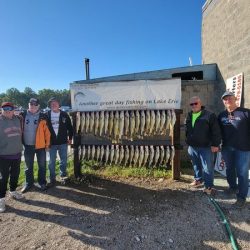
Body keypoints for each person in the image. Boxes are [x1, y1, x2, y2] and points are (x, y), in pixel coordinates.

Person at [218, 91, 250, 208]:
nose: (227, 101)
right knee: (230, 169)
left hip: (243, 148)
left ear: (235, 98)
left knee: (242, 173)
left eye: (230, 98)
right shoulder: (221, 115)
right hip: (227, 148)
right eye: (225, 99)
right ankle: (232, 188)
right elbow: (218, 132)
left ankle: (241, 198)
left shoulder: (245, 113)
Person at [185, 96, 221, 194]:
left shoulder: (209, 115)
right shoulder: (189, 115)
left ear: (200, 103)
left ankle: (209, 186)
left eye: (195, 103)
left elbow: (216, 131)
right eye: (191, 104)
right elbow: (188, 130)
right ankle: (198, 180)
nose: (194, 106)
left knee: (207, 168)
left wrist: (215, 144)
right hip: (192, 147)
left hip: (206, 147)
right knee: (196, 165)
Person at [20, 98, 51, 193]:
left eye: (35, 105)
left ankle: (42, 183)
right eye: (31, 104)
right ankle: (29, 183)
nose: (33, 106)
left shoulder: (43, 116)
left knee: (42, 166)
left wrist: (47, 145)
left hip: (40, 146)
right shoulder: (22, 115)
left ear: (38, 106)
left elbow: (47, 133)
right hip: (28, 146)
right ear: (28, 105)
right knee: (28, 167)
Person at [0, 102, 24, 213]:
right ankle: (1, 199)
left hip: (17, 153)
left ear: (13, 109)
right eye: (4, 108)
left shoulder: (18, 119)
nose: (7, 110)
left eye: (9, 108)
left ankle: (13, 191)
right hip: (3, 155)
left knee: (15, 174)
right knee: (2, 178)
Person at [46, 97, 73, 185]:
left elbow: (70, 128)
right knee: (51, 162)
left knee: (63, 160)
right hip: (51, 143)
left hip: (63, 142)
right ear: (50, 106)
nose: (53, 105)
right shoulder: (46, 115)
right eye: (52, 104)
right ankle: (52, 178)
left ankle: (63, 176)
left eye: (55, 103)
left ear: (59, 104)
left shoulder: (64, 114)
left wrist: (70, 138)